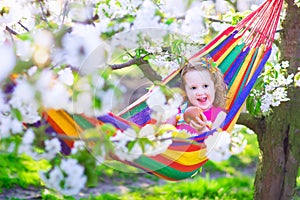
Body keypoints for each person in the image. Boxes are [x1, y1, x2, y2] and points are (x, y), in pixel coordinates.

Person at [168, 56, 228, 134]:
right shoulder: (179, 111)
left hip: (201, 145)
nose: (200, 92)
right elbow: (164, 132)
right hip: (176, 145)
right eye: (193, 88)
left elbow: (214, 141)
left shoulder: (219, 115)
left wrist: (203, 130)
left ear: (215, 87)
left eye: (205, 86)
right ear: (185, 91)